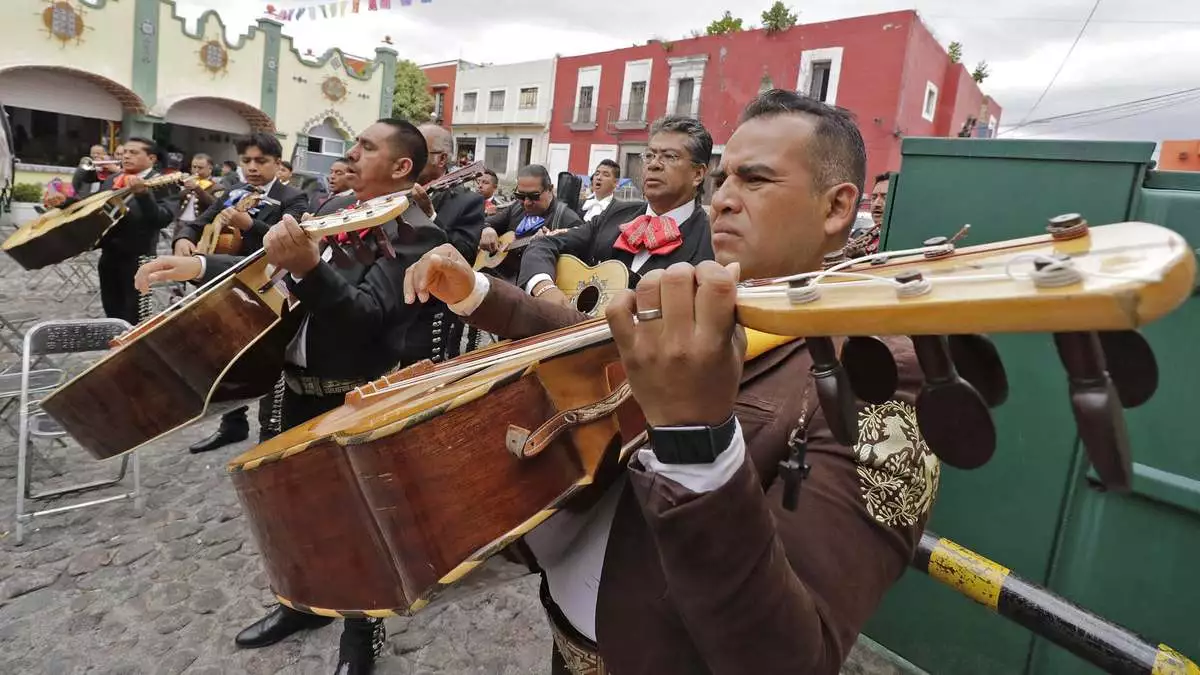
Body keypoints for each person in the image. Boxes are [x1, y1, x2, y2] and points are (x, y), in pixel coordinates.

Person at [402, 90, 937, 674]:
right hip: (567, 644)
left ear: (836, 208)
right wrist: (476, 293)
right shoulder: (716, 296)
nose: (726, 199)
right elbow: (599, 335)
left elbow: (792, 659)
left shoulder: (881, 375)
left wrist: (698, 439)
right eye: (725, 179)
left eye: (755, 181)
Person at [135, 117, 451, 675]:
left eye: (366, 147)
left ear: (402, 167)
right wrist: (200, 265)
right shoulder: (333, 211)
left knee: (360, 523)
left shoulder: (418, 235)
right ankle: (301, 605)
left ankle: (361, 636)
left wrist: (309, 267)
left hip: (358, 397)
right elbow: (271, 272)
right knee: (288, 511)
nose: (350, 155)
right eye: (353, 144)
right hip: (291, 390)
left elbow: (368, 318)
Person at [174, 133, 309, 454]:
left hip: (268, 293)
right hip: (226, 288)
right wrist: (183, 237)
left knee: (269, 362)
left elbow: (292, 243)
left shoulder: (294, 197)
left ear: (278, 163)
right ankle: (232, 424)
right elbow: (199, 223)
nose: (252, 167)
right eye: (246, 161)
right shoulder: (232, 192)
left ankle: (271, 433)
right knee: (225, 358)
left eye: (261, 161)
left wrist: (250, 225)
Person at [517, 116, 714, 310]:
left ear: (697, 174)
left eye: (670, 156)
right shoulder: (615, 215)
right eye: (650, 155)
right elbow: (543, 243)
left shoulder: (713, 242)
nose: (654, 164)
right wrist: (544, 288)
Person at [52, 137, 173, 324]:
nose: (126, 156)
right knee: (112, 311)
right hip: (109, 256)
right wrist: (64, 202)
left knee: (135, 317)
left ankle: (133, 351)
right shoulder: (111, 180)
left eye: (134, 152)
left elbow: (162, 219)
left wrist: (143, 196)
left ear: (151, 159)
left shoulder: (163, 182)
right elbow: (91, 205)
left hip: (139, 259)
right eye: (125, 152)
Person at [478, 164, 583, 283]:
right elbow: (484, 223)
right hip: (498, 279)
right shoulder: (516, 208)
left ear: (550, 189)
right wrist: (487, 229)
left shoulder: (568, 220)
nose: (527, 203)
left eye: (534, 196)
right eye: (520, 196)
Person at [411, 124, 486, 262]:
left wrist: (431, 216)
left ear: (442, 159)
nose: (409, 159)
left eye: (417, 153)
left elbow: (465, 257)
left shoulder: (469, 201)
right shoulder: (396, 188)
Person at [171, 154, 222, 244]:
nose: (196, 170)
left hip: (199, 227)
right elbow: (175, 199)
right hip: (181, 223)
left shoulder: (217, 187)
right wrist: (176, 185)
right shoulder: (187, 182)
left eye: (200, 168)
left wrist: (197, 188)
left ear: (210, 169)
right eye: (194, 167)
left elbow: (215, 204)